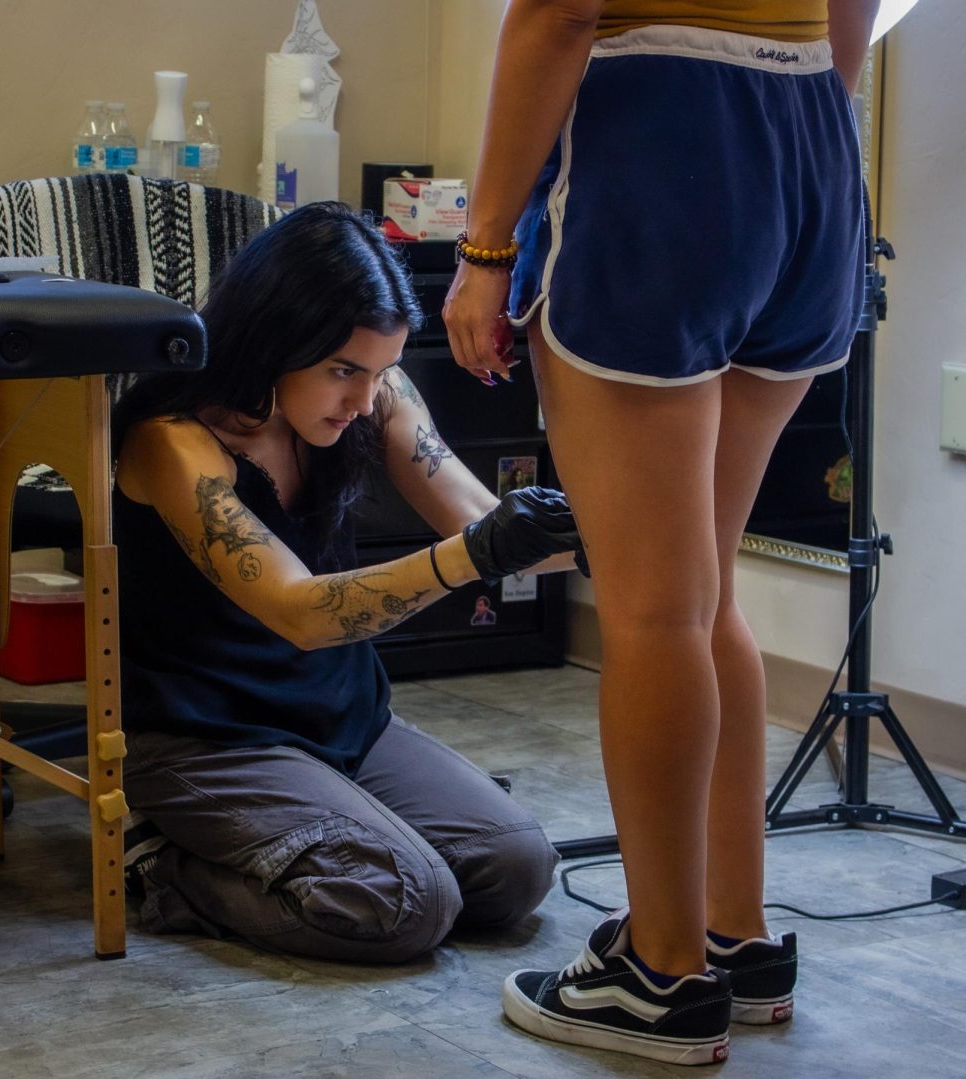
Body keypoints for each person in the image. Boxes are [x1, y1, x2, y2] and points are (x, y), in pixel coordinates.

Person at [442, 0, 880, 1066]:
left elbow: (560, 11)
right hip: (813, 128)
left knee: (650, 606)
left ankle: (659, 972)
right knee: (704, 588)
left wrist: (487, 244)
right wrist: (813, 92)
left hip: (666, 133)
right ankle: (735, 936)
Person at [112, 201, 584, 963]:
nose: (364, 399)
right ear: (274, 341)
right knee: (407, 903)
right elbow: (300, 611)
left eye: (378, 371)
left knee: (515, 868)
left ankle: (323, 825)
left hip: (339, 716)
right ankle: (162, 865)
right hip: (205, 736)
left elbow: (487, 524)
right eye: (343, 371)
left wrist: (623, 536)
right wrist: (474, 555)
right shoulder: (174, 441)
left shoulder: (376, 397)